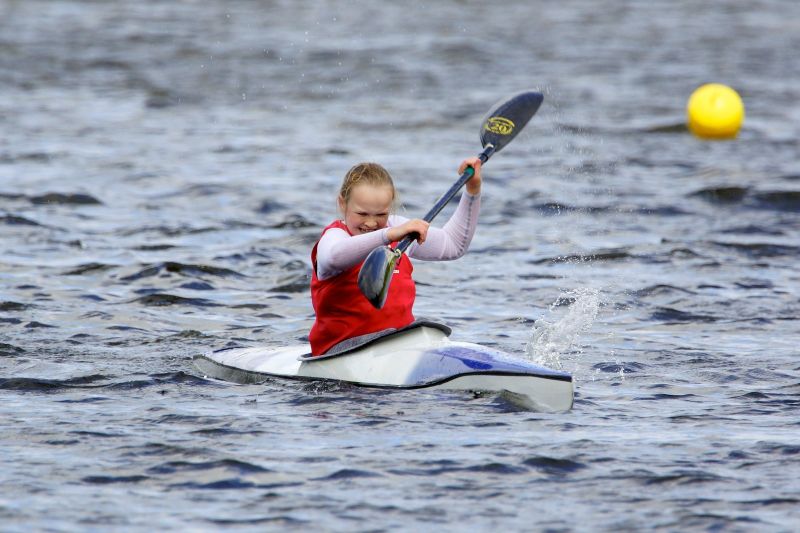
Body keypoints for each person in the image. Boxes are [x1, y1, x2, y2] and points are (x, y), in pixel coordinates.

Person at [309, 157, 482, 355]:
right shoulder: (335, 237)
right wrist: (388, 235)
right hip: (342, 353)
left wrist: (472, 191)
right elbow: (334, 257)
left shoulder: (398, 228)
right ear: (342, 203)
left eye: (381, 215)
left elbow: (453, 245)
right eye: (362, 214)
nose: (372, 223)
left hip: (398, 346)